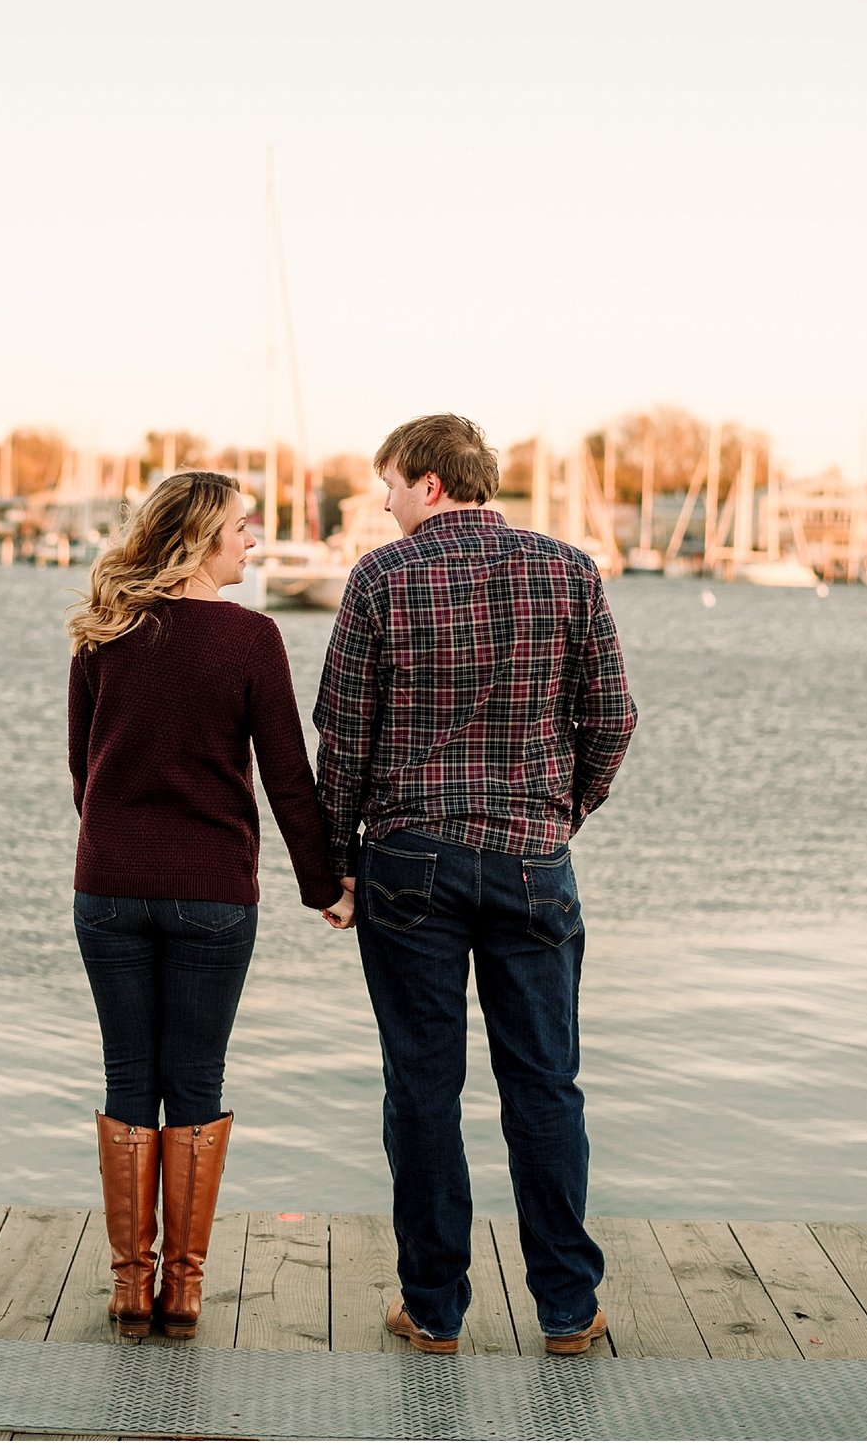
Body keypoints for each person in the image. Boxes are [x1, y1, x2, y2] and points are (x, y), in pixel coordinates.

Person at [312, 413, 636, 1357]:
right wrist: (557, 816)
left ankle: (435, 1309)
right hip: (534, 860)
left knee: (422, 1087)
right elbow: (611, 720)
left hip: (409, 862)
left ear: (430, 484)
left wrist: (336, 858)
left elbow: (346, 739)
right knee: (545, 1086)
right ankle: (569, 1311)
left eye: (389, 485)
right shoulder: (570, 569)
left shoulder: (380, 577)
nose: (382, 503)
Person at [66, 471, 345, 1339]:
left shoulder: (101, 633)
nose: (253, 540)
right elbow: (288, 780)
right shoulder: (251, 639)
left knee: (126, 1077)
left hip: (108, 887)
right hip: (213, 894)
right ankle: (181, 1291)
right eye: (241, 527)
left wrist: (119, 848)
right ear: (199, 538)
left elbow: (85, 772)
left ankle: (128, 1284)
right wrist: (326, 883)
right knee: (195, 1080)